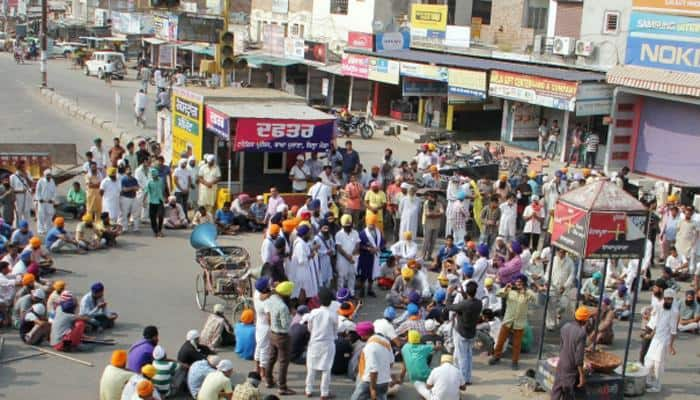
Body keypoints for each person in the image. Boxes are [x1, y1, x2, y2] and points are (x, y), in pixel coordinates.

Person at [490, 274, 537, 370]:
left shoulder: (527, 293)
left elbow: (535, 299)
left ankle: (515, 361)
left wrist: (526, 292)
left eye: (520, 282)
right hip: (508, 320)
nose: (518, 284)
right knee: (500, 341)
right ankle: (496, 356)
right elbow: (498, 294)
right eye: (517, 282)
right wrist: (505, 288)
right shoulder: (510, 291)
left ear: (524, 283)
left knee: (517, 344)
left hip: (519, 323)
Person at [551, 307, 592, 400]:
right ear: (585, 320)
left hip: (561, 363)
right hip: (570, 367)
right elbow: (578, 358)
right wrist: (582, 376)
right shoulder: (581, 333)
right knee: (568, 393)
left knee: (556, 390)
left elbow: (563, 346)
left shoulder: (565, 327)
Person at [303, 288, 337, 399]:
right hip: (328, 344)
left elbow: (309, 327)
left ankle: (308, 390)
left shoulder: (313, 312)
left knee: (311, 368)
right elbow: (335, 330)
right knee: (326, 369)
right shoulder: (333, 315)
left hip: (315, 343)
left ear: (319, 301)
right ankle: (324, 393)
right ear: (330, 302)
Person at [644, 288, 679, 393]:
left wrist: (671, 346)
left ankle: (657, 386)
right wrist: (650, 335)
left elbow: (673, 331)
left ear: (673, 300)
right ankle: (648, 381)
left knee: (658, 364)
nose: (668, 301)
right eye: (666, 298)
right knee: (648, 361)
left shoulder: (674, 312)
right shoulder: (660, 306)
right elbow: (656, 324)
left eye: (670, 299)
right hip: (656, 338)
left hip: (664, 340)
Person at [446, 280, 481, 383]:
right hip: (472, 333)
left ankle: (463, 380)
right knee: (469, 356)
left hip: (462, 333)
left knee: (462, 358)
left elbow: (448, 307)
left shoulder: (464, 304)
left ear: (467, 291)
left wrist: (449, 293)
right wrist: (463, 293)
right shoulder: (478, 303)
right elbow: (469, 302)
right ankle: (468, 378)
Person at [350, 322, 394, 400]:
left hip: (369, 382)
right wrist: (384, 374)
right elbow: (391, 361)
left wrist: (373, 389)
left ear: (363, 335)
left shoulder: (370, 347)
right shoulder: (385, 341)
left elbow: (373, 370)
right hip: (384, 381)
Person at [266, 281, 295, 395]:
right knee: (283, 362)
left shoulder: (272, 299)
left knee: (271, 358)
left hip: (272, 333)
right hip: (282, 336)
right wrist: (291, 316)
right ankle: (282, 387)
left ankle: (268, 380)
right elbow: (285, 325)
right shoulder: (283, 307)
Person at [545, 249, 575, 330]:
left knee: (563, 305)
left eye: (563, 252)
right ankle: (550, 324)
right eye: (560, 252)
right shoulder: (553, 260)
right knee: (551, 306)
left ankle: (558, 313)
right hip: (553, 286)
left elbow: (572, 276)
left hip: (564, 288)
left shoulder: (570, 262)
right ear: (557, 252)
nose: (561, 254)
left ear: (565, 252)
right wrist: (547, 280)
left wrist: (565, 286)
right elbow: (548, 272)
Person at [357, 214, 384, 298]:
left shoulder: (378, 232)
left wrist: (379, 248)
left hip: (375, 257)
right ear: (366, 223)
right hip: (365, 257)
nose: (371, 226)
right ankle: (362, 290)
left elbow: (382, 242)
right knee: (364, 274)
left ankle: (370, 289)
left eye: (373, 224)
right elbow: (359, 245)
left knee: (372, 275)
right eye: (370, 224)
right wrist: (368, 248)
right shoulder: (362, 233)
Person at [34, 169, 57, 235]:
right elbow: (37, 191)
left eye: (50, 175)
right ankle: (40, 229)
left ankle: (48, 228)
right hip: (42, 202)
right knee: (41, 215)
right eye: (47, 175)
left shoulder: (52, 181)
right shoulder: (40, 181)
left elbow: (55, 191)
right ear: (45, 175)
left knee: (50, 214)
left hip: (49, 202)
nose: (49, 177)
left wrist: (52, 199)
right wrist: (39, 198)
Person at [118, 166, 140, 232]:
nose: (129, 171)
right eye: (127, 170)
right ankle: (125, 228)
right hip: (125, 198)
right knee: (125, 213)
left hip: (133, 197)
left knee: (136, 213)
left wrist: (132, 188)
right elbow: (124, 189)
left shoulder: (134, 179)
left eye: (130, 169)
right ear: (125, 171)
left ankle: (136, 228)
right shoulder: (123, 179)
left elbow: (137, 188)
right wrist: (133, 188)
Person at [145, 168, 165, 237]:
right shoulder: (149, 182)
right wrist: (144, 201)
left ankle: (159, 230)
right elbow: (146, 191)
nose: (154, 176)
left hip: (160, 200)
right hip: (152, 201)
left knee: (161, 215)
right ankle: (155, 231)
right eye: (153, 175)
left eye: (155, 175)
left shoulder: (161, 180)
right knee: (152, 217)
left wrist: (165, 197)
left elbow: (163, 189)